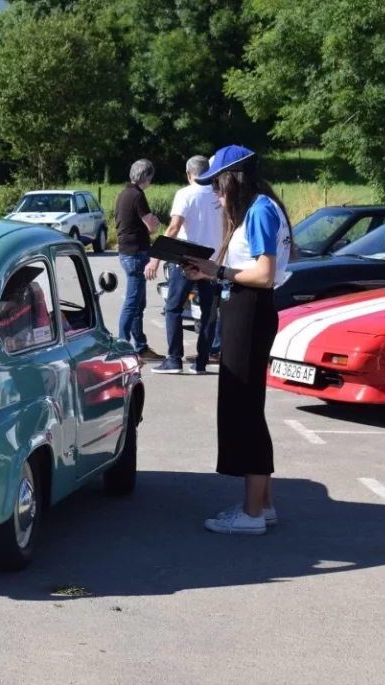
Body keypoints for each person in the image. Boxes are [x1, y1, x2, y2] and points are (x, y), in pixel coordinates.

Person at [182, 145, 292, 535]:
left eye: (218, 185)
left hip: (251, 308)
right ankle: (262, 505)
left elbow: (262, 274)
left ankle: (252, 515)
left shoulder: (260, 209)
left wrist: (219, 270)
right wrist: (211, 273)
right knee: (247, 407)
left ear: (234, 180)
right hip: (245, 308)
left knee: (245, 409)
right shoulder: (260, 207)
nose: (216, 194)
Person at [146, 155, 223, 374]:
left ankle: (174, 359)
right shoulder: (220, 195)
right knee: (209, 313)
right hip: (212, 262)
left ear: (189, 174)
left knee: (173, 308)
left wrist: (154, 258)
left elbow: (173, 228)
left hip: (186, 260)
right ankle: (201, 362)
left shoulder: (185, 194)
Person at [115, 159, 164, 361]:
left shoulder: (123, 194)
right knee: (133, 303)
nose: (150, 181)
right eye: (150, 178)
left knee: (138, 303)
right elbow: (151, 225)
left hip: (126, 252)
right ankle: (123, 346)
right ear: (145, 177)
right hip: (136, 253)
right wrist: (156, 223)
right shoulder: (137, 195)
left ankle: (140, 346)